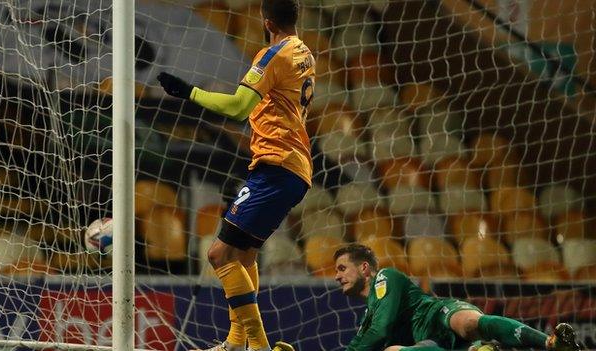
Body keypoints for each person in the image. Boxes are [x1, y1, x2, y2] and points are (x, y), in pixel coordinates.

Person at [157, 0, 314, 350]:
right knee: (244, 255)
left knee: (218, 254)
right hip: (291, 167)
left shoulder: (273, 55)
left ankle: (257, 345)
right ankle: (235, 340)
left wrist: (189, 92)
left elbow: (238, 107)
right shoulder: (304, 52)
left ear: (266, 21)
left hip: (276, 166)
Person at [333, 244, 582, 351]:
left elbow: (379, 329)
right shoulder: (368, 317)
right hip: (429, 343)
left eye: (342, 268)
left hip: (438, 315)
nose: (336, 276)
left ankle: (549, 343)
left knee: (467, 322)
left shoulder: (385, 278)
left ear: (364, 268)